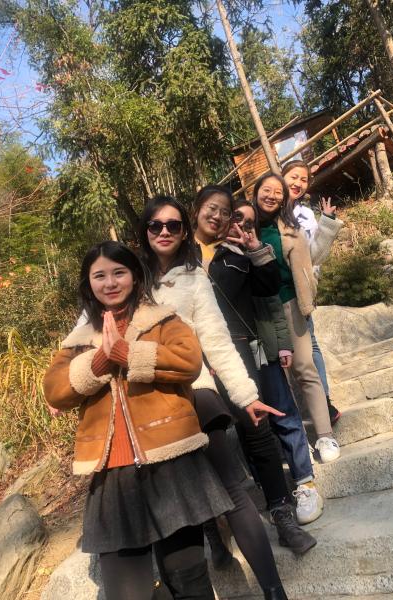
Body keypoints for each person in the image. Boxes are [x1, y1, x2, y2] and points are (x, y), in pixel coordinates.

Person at [43, 241, 234, 600]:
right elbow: (54, 390)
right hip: (112, 472)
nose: (110, 283)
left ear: (134, 276)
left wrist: (126, 352)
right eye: (100, 276)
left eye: (119, 272)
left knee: (190, 582)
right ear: (88, 284)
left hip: (171, 462)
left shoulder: (162, 320)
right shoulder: (78, 341)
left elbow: (189, 362)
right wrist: (101, 359)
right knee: (127, 593)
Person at [138, 194, 291, 599]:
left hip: (195, 390)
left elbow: (217, 341)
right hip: (147, 403)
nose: (165, 231)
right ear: (145, 230)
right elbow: (91, 324)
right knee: (171, 499)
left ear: (183, 231)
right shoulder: (129, 277)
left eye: (173, 225)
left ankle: (274, 591)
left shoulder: (194, 279)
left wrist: (245, 395)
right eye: (156, 225)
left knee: (232, 489)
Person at [191, 185, 317, 555]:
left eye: (224, 211)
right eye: (211, 208)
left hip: (239, 351)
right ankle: (216, 528)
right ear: (195, 210)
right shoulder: (179, 256)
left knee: (257, 430)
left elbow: (267, 287)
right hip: (194, 361)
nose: (217, 216)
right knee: (206, 439)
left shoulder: (235, 254)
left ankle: (281, 513)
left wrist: (254, 250)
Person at [230, 198, 324, 525]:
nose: (241, 226)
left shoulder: (258, 255)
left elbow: (272, 304)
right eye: (235, 217)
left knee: (282, 409)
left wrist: (283, 343)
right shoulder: (209, 258)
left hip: (259, 345)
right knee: (248, 424)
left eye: (249, 222)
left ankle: (304, 481)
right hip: (228, 355)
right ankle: (271, 490)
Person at [253, 173, 340, 463]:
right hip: (259, 313)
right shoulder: (243, 226)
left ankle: (325, 435)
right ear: (255, 192)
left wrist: (327, 223)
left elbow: (311, 258)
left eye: (277, 192)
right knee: (277, 378)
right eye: (266, 190)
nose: (271, 196)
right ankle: (296, 441)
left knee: (305, 368)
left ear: (284, 198)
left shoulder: (290, 227)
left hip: (290, 304)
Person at [282, 160, 343, 424]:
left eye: (304, 179)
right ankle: (294, 408)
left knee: (311, 345)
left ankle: (323, 401)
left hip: (301, 290)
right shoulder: (266, 209)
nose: (298, 183)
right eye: (293, 177)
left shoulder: (306, 215)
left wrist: (327, 222)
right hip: (273, 292)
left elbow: (315, 254)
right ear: (282, 176)